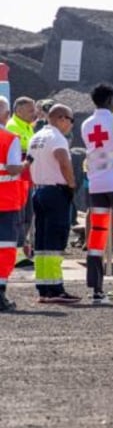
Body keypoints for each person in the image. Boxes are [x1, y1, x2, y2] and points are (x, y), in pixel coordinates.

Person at [27, 103, 80, 303]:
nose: (71, 125)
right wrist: (71, 183)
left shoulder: (36, 137)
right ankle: (55, 288)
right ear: (60, 118)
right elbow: (62, 160)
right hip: (55, 191)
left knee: (41, 241)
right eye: (70, 120)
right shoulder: (57, 138)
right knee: (55, 240)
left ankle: (44, 287)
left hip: (38, 190)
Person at [81, 83, 113, 303]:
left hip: (96, 184)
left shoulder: (87, 125)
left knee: (96, 236)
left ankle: (96, 290)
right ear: (110, 100)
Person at [6, 96, 37, 267]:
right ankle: (17, 255)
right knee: (19, 218)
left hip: (26, 180)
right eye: (30, 110)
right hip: (17, 181)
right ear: (18, 110)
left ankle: (19, 251)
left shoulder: (27, 127)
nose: (34, 113)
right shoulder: (13, 127)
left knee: (26, 217)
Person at [0, 123, 24, 310]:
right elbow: (13, 168)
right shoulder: (9, 138)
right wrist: (27, 163)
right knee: (6, 247)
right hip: (5, 201)